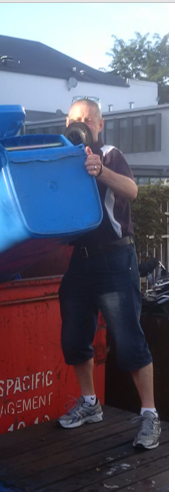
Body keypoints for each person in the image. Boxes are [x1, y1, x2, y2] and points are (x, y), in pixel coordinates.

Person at [54, 98, 160, 449]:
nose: (82, 123)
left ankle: (149, 415)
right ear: (67, 123)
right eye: (75, 119)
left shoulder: (110, 153)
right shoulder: (61, 158)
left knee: (129, 341)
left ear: (99, 126)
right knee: (73, 339)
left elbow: (132, 190)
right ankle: (90, 403)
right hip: (80, 262)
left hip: (116, 259)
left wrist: (101, 170)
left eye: (89, 119)